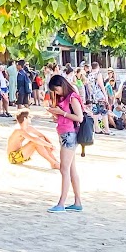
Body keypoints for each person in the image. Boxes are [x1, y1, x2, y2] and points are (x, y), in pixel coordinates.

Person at [45, 74, 85, 212]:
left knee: (64, 169)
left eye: (56, 89)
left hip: (70, 134)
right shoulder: (64, 98)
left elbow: (79, 117)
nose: (56, 93)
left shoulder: (72, 97)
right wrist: (56, 114)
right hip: (64, 133)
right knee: (71, 168)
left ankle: (61, 203)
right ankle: (77, 202)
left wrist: (62, 113)